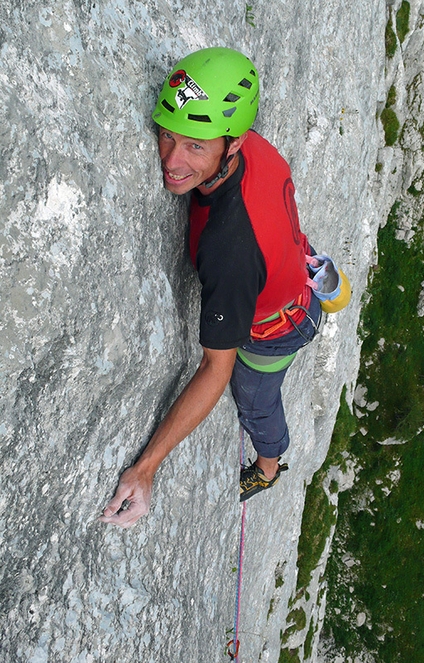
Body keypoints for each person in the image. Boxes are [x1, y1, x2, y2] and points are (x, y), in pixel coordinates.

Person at [99, 47, 322, 528]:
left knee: (255, 401)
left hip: (277, 329)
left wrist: (144, 469)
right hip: (290, 270)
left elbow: (215, 368)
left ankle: (268, 466)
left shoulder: (230, 247)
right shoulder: (252, 146)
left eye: (195, 147)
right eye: (166, 135)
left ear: (233, 144)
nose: (172, 161)